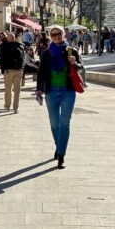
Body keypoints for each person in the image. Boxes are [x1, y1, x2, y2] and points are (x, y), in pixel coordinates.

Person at [35, 25, 83, 169]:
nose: (56, 36)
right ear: (50, 36)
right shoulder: (46, 53)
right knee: (54, 123)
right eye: (54, 34)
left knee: (65, 123)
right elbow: (42, 72)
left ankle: (61, 155)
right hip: (51, 91)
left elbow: (81, 66)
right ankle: (59, 146)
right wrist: (38, 89)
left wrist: (75, 62)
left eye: (59, 34)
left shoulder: (71, 50)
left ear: (64, 35)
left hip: (68, 90)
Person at [0, 32, 25, 113]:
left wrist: (2, 70)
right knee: (17, 90)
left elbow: (1, 59)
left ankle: (7, 106)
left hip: (8, 70)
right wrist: (22, 69)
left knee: (8, 89)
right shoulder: (20, 46)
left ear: (8, 39)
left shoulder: (4, 46)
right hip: (18, 70)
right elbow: (23, 58)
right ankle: (15, 108)